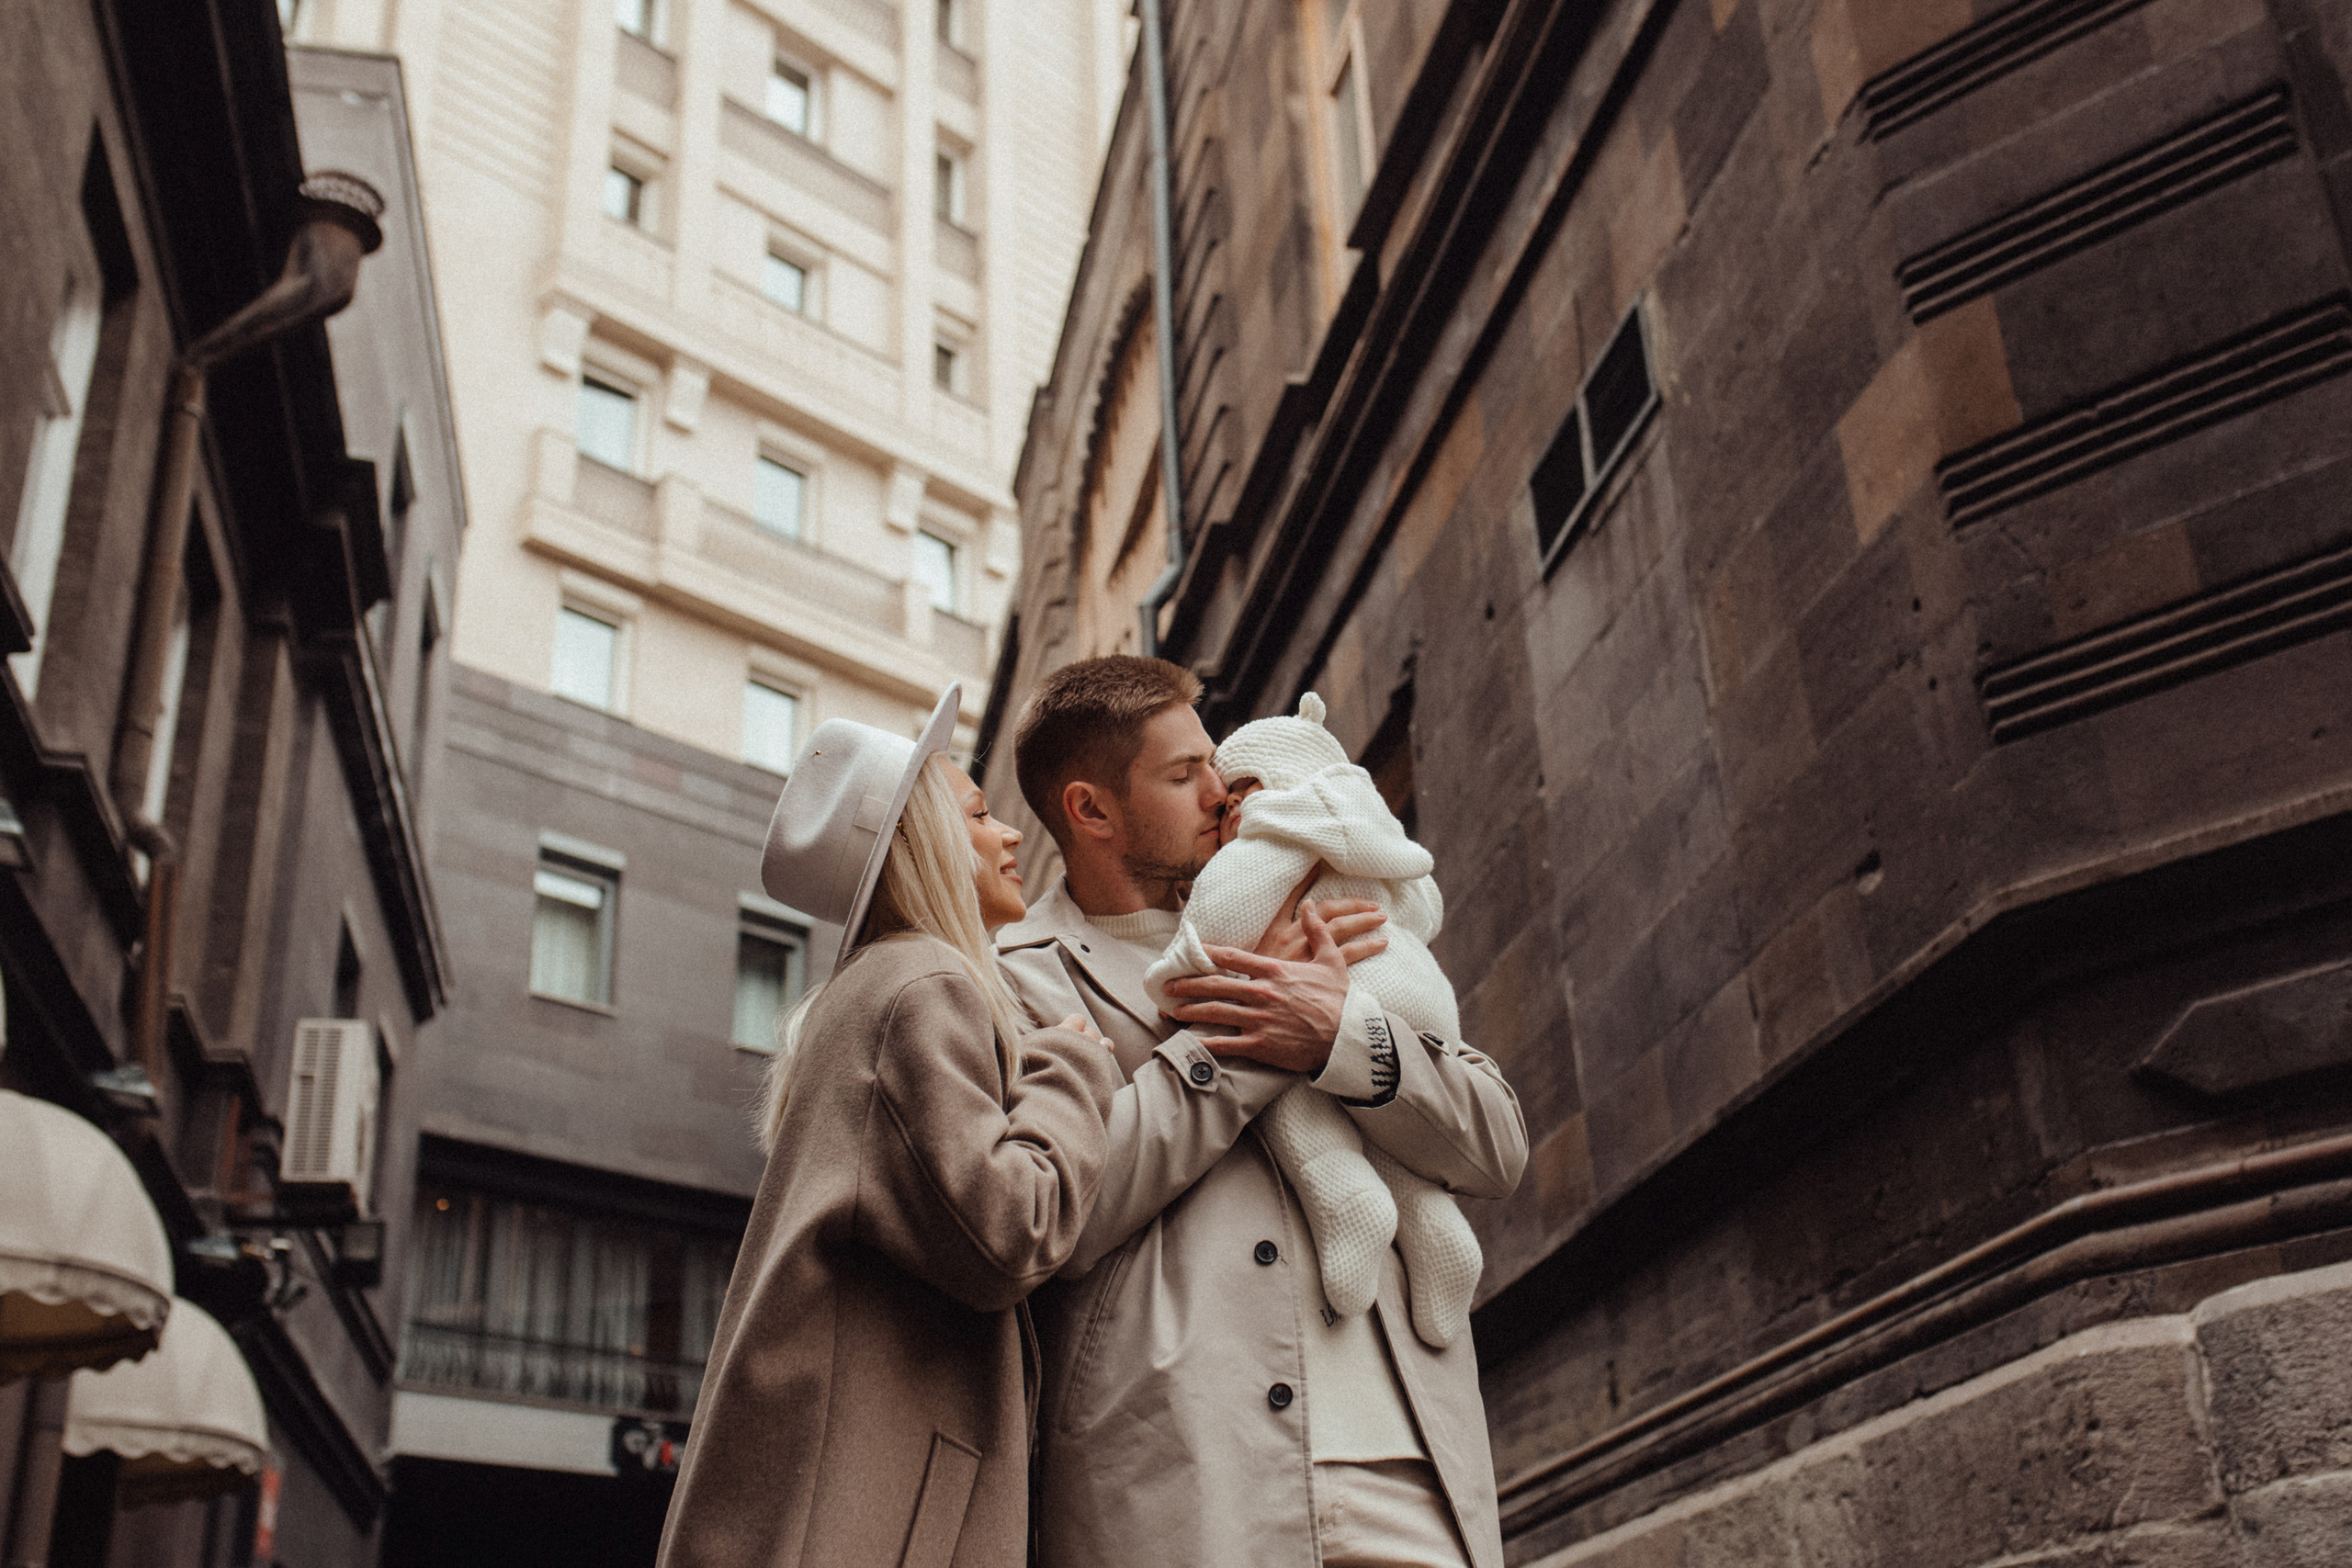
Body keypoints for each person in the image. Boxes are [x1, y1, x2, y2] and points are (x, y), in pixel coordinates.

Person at [996, 657, 1528, 1568]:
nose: (1222, 791)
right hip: (1188, 1487)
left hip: (1408, 1464)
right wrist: (1236, 1041)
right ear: (1090, 810)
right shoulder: (1016, 976)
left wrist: (1336, 1036)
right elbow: (1058, 1218)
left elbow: (1497, 1146)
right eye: (1182, 774)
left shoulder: (1330, 904)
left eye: (1215, 762)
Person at [658, 685, 1122, 1568]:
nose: (1013, 834)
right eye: (982, 815)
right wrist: (1072, 1068)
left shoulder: (877, 989)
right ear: (929, 845)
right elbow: (1006, 1231)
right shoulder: (923, 986)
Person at [1142, 691, 1486, 1352]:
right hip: (1418, 998)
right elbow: (1424, 908)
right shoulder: (1368, 839)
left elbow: (1222, 922)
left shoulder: (1273, 839)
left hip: (1346, 991)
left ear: (1277, 784)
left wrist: (1178, 974)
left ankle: (1341, 1188)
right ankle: (1437, 1226)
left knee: (1283, 1064)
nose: (1226, 806)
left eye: (1236, 787)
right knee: (1390, 1127)